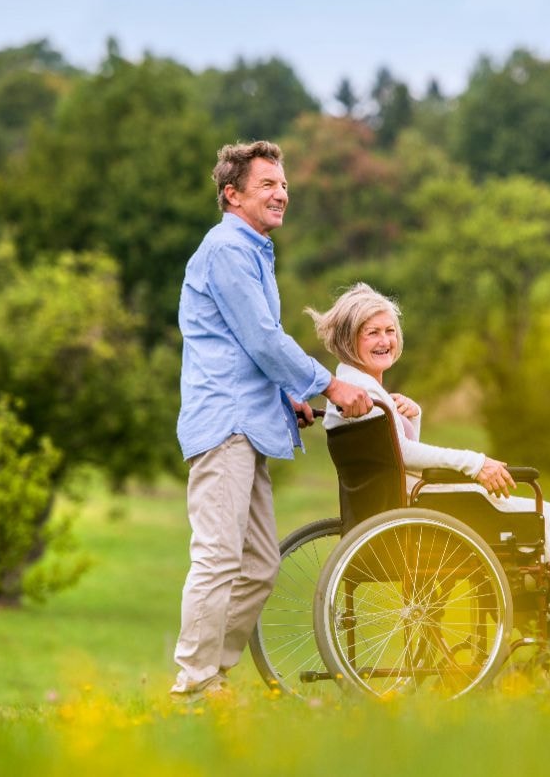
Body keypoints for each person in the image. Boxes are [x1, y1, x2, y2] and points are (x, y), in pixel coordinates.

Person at [307, 283, 550, 676]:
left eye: (390, 331)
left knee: (544, 526)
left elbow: (395, 456)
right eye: (372, 332)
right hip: (418, 511)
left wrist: (411, 416)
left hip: (404, 505)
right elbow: (405, 458)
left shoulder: (360, 390)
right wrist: (474, 463)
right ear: (347, 340)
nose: (385, 340)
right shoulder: (364, 395)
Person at [171, 141, 372, 699]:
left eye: (284, 185)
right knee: (216, 556)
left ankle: (212, 676)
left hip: (250, 421)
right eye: (268, 185)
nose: (281, 194)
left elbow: (243, 345)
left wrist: (288, 395)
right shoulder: (228, 249)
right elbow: (262, 338)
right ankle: (194, 683)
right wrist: (328, 383)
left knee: (258, 564)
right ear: (232, 195)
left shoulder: (252, 249)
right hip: (225, 425)